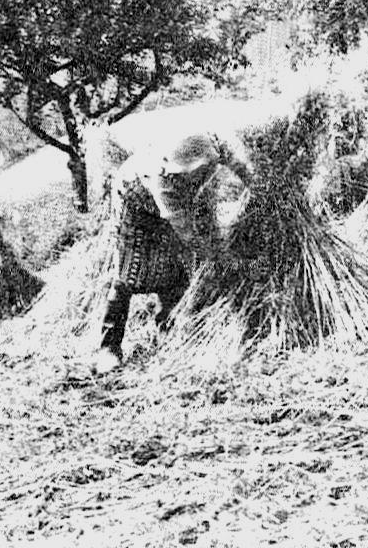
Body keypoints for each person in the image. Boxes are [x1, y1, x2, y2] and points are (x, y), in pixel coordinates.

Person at [95, 131, 253, 372]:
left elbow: (237, 164)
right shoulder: (163, 181)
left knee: (172, 270)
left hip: (175, 203)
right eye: (193, 172)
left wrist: (255, 187)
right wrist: (219, 258)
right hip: (134, 203)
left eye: (203, 170)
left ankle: (166, 329)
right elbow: (189, 236)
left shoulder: (208, 146)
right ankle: (109, 348)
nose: (200, 175)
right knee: (129, 273)